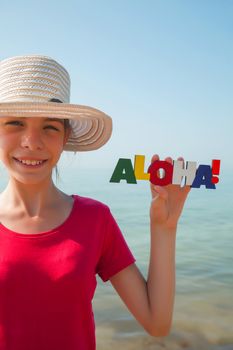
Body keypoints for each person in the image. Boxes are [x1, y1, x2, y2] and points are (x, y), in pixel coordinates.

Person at [0, 55, 190, 350]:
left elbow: (157, 322)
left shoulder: (94, 219)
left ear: (66, 137)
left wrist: (165, 226)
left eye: (50, 126)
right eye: (15, 123)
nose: (31, 141)